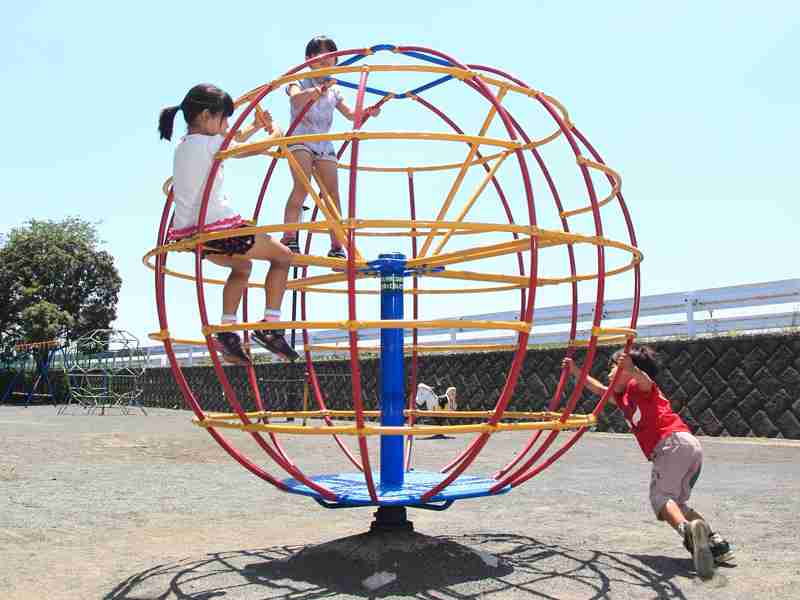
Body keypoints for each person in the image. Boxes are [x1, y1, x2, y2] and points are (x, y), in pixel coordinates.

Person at [562, 345, 733, 579]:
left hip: (670, 445)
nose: (609, 373)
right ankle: (716, 543)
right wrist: (574, 371)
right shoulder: (621, 396)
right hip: (687, 445)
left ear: (629, 370)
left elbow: (645, 381)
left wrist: (631, 369)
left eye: (613, 368)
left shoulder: (637, 386)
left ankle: (688, 532)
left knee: (660, 498)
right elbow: (598, 389)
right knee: (677, 504)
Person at [158, 83, 299, 363]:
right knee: (283, 257)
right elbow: (248, 149)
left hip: (191, 233)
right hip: (219, 228)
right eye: (224, 118)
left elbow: (229, 141)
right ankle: (271, 327)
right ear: (207, 116)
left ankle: (227, 332)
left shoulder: (185, 146)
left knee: (242, 266)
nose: (227, 125)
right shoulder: (212, 143)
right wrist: (276, 134)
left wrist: (255, 128)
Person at [281, 35, 380, 258]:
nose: (327, 62)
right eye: (321, 58)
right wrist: (317, 91)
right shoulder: (298, 81)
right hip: (301, 139)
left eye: (331, 58)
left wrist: (367, 112)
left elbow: (351, 115)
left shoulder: (335, 90)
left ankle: (337, 245)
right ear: (308, 60)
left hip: (323, 142)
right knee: (302, 186)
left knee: (332, 194)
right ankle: (289, 237)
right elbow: (295, 100)